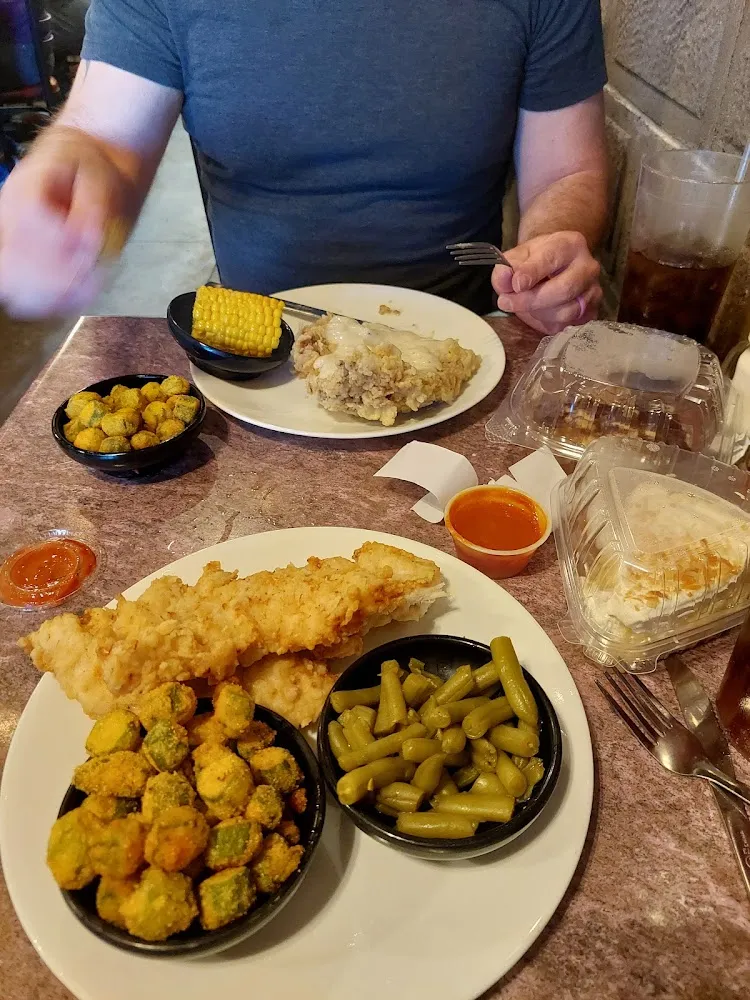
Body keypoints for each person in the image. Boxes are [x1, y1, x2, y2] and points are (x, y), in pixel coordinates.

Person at [0, 0, 608, 334]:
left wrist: (551, 252)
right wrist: (56, 178)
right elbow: (101, 142)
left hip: (469, 341)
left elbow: (568, 174)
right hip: (261, 348)